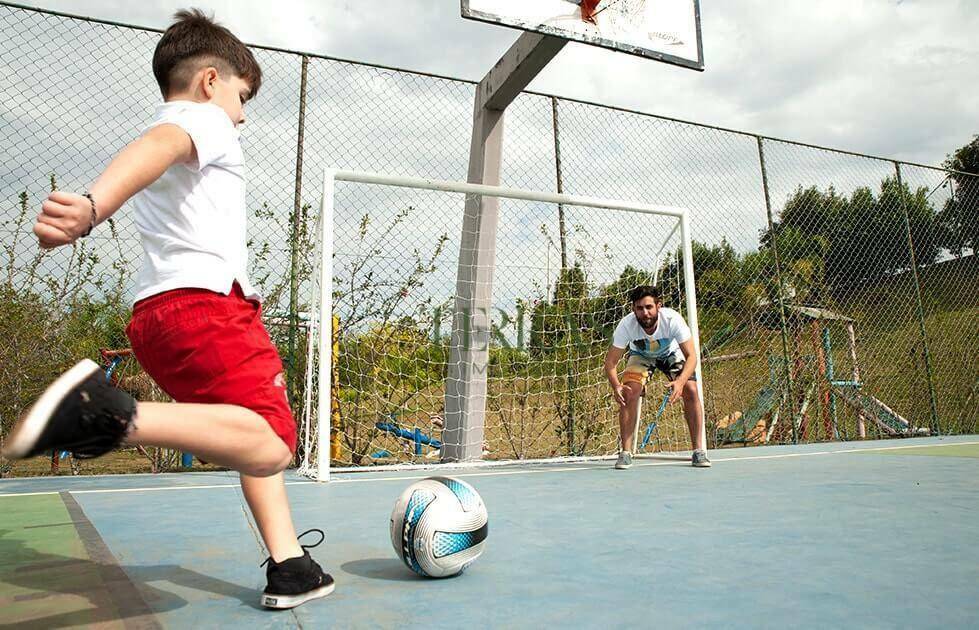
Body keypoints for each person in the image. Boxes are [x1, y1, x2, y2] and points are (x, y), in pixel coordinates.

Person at [1, 9, 333, 610]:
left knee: (242, 432)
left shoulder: (179, 127)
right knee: (276, 440)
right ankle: (100, 416)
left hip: (157, 318)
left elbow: (155, 146)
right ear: (211, 81)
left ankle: (289, 566)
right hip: (208, 307)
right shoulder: (200, 122)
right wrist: (92, 208)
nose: (242, 112)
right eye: (241, 95)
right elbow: (160, 144)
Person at [603, 285, 710, 470]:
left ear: (658, 306)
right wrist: (616, 386)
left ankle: (698, 451)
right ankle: (625, 453)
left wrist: (680, 381)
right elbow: (610, 363)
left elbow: (692, 356)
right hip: (641, 355)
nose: (645, 313)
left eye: (649, 307)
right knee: (629, 392)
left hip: (671, 353)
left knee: (691, 389)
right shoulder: (626, 325)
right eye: (639, 308)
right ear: (633, 309)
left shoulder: (673, 320)